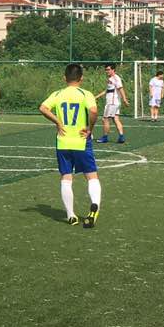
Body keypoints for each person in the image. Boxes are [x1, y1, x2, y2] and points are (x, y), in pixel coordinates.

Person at [39, 63, 101, 228]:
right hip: (81, 141)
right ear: (81, 78)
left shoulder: (58, 94)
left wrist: (58, 122)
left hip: (63, 141)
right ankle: (94, 205)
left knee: (66, 177)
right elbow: (93, 111)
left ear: (64, 78)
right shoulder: (85, 94)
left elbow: (43, 108)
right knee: (91, 176)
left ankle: (71, 215)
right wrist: (90, 128)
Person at [98, 63, 127, 143]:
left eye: (108, 69)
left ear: (113, 70)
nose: (107, 71)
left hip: (112, 103)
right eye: (106, 70)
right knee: (115, 119)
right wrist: (96, 97)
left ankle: (105, 137)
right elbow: (107, 90)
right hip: (115, 103)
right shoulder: (110, 79)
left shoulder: (115, 78)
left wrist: (124, 99)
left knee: (105, 119)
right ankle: (121, 137)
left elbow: (120, 88)